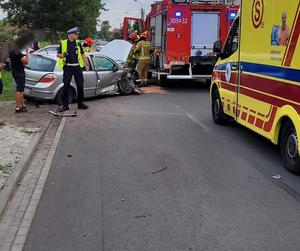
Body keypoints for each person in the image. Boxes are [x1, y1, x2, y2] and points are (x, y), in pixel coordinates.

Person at [57, 27, 90, 112]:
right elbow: (58, 55)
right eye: (76, 34)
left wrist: (87, 64)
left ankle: (80, 104)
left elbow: (83, 54)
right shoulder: (63, 43)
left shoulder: (78, 43)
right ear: (71, 35)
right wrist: (63, 55)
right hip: (68, 67)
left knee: (80, 85)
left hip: (77, 67)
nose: (77, 36)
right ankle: (65, 106)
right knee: (66, 86)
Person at [9, 47, 29, 113]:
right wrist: (27, 52)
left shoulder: (12, 51)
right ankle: (18, 107)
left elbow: (20, 60)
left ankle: (22, 105)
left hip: (15, 71)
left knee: (21, 90)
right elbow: (26, 62)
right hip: (19, 72)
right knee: (19, 90)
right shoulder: (17, 52)